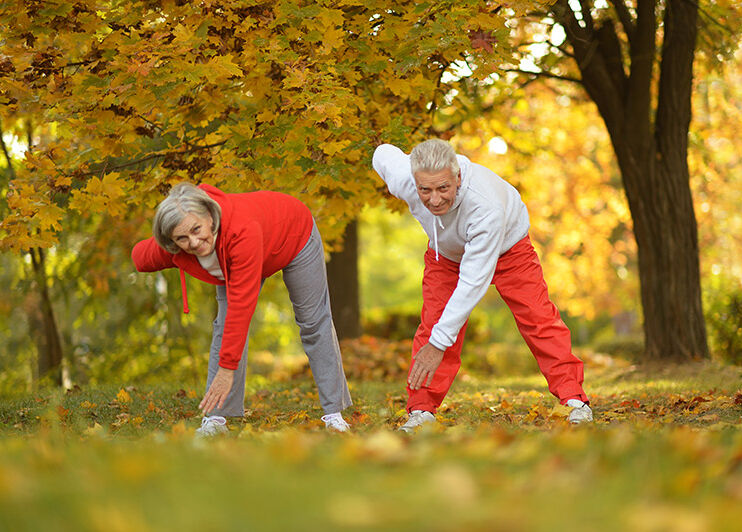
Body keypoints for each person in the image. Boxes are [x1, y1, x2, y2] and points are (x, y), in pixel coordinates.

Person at [371, 139, 593, 431]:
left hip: (508, 248)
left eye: (443, 189)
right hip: (446, 255)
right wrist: (380, 145)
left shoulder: (484, 206)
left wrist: (439, 343)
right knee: (434, 324)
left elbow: (472, 283)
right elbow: (383, 155)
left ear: (458, 177)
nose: (434, 199)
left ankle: (574, 400)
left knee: (538, 319)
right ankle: (421, 410)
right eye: (425, 190)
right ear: (414, 181)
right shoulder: (405, 178)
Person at [132, 183, 352, 435]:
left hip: (293, 234)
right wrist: (168, 250)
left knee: (313, 322)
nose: (194, 242)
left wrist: (227, 370)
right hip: (241, 258)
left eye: (196, 230)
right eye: (182, 238)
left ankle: (334, 413)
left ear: (208, 214)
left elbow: (241, 309)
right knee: (224, 328)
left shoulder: (241, 231)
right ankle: (216, 421)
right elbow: (139, 257)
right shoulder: (178, 240)